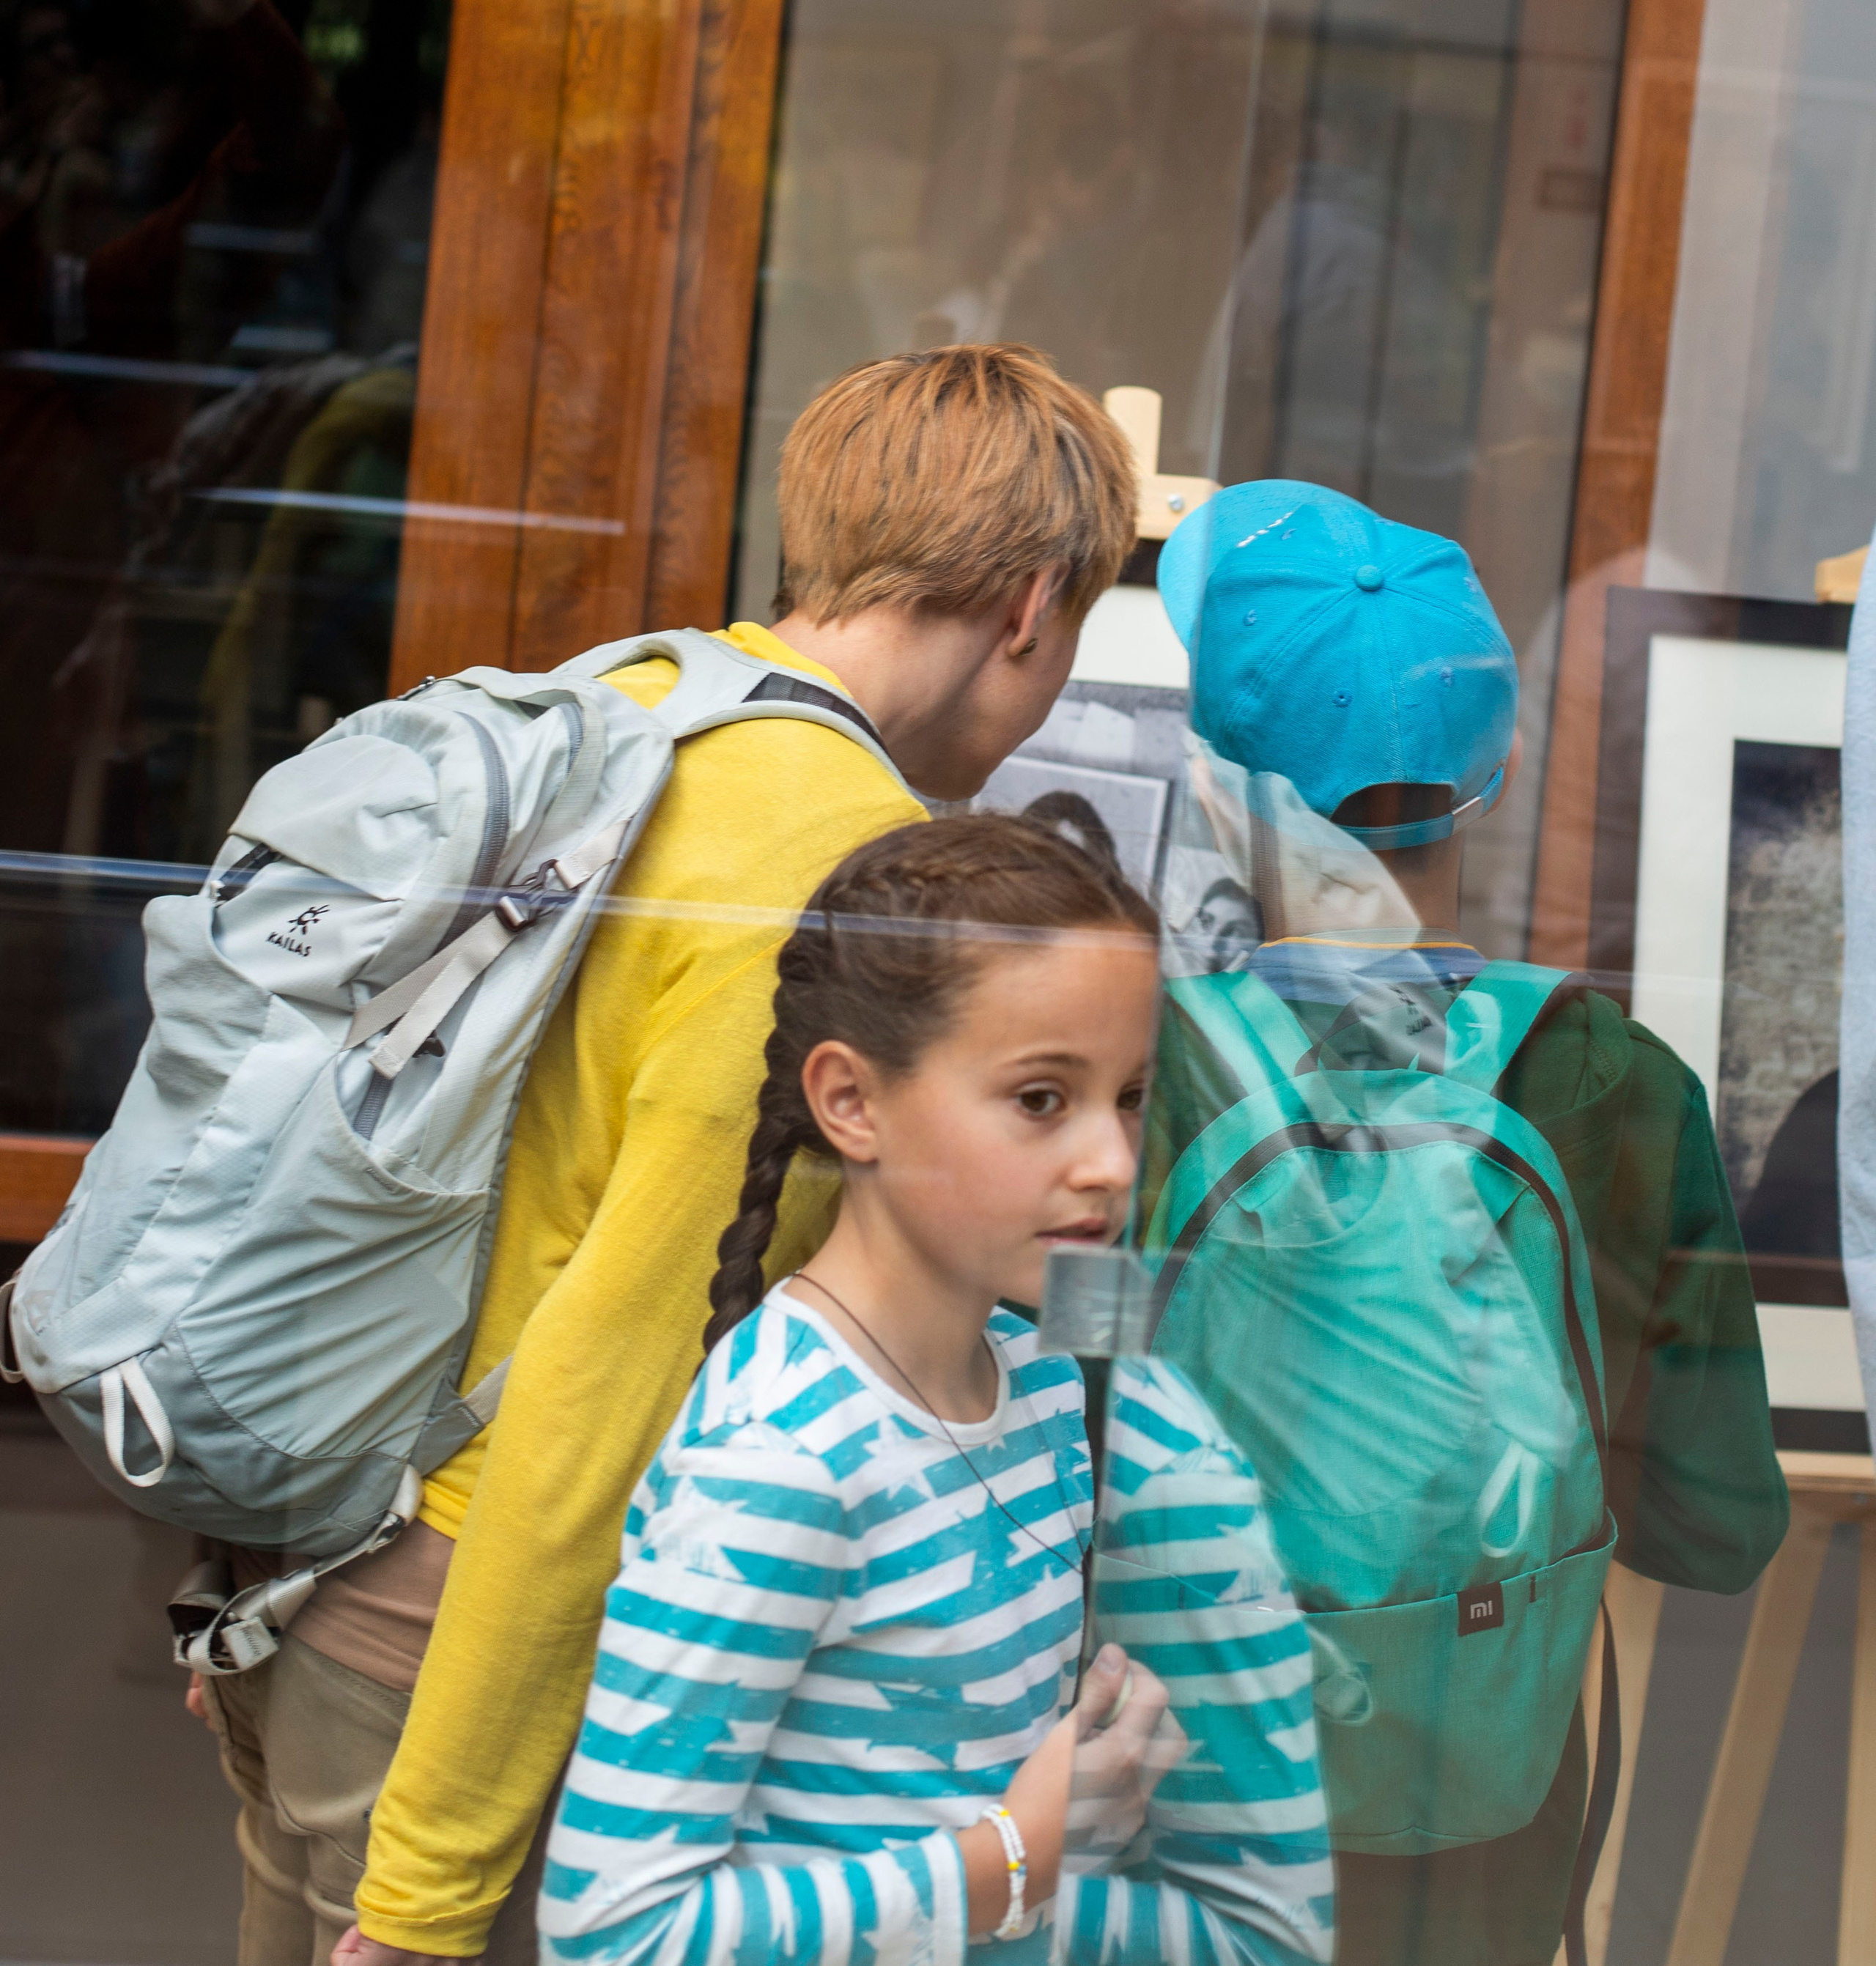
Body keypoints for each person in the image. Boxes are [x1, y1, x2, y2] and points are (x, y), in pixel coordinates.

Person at [189, 345, 1138, 1964]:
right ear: (1034, 603)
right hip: (460, 1660)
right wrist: (424, 1899)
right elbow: (606, 1384)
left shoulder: (635, 702)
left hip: (307, 1560)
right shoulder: (825, 861)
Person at [1142, 480, 1789, 1966]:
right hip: (1485, 1808)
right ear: (1484, 776)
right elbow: (1716, 1524)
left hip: (1178, 1813)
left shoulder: (1131, 1070)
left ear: (1228, 781)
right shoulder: (1613, 1080)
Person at [539, 814, 1335, 1965]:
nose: (1112, 1160)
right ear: (852, 1105)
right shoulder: (781, 1465)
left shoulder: (1053, 1372)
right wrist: (1018, 1849)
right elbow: (611, 1935)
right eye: (1040, 1100)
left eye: (1128, 1096)